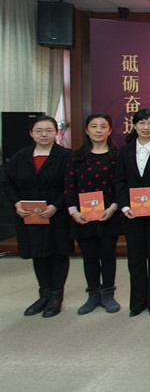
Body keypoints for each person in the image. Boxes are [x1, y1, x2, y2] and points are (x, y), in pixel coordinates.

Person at [3, 116, 72, 317]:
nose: (44, 134)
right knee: (38, 253)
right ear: (31, 133)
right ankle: (44, 294)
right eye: (39, 130)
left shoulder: (66, 156)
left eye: (49, 130)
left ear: (56, 133)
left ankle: (56, 296)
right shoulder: (20, 156)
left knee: (57, 253)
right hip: (29, 215)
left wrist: (55, 206)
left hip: (56, 214)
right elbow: (8, 183)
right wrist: (17, 203)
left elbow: (71, 186)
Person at [114, 108, 150, 316]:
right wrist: (124, 207)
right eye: (142, 123)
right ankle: (137, 302)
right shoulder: (124, 151)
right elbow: (119, 181)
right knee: (135, 258)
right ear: (134, 125)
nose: (146, 127)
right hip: (131, 213)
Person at [64, 113, 123, 314]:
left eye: (103, 126)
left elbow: (120, 185)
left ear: (109, 130)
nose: (99, 130)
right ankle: (93, 294)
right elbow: (69, 186)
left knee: (108, 255)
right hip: (83, 217)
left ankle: (108, 294)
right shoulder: (76, 157)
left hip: (109, 214)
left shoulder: (117, 156)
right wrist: (74, 212)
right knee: (89, 256)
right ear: (87, 130)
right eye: (94, 126)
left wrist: (113, 208)